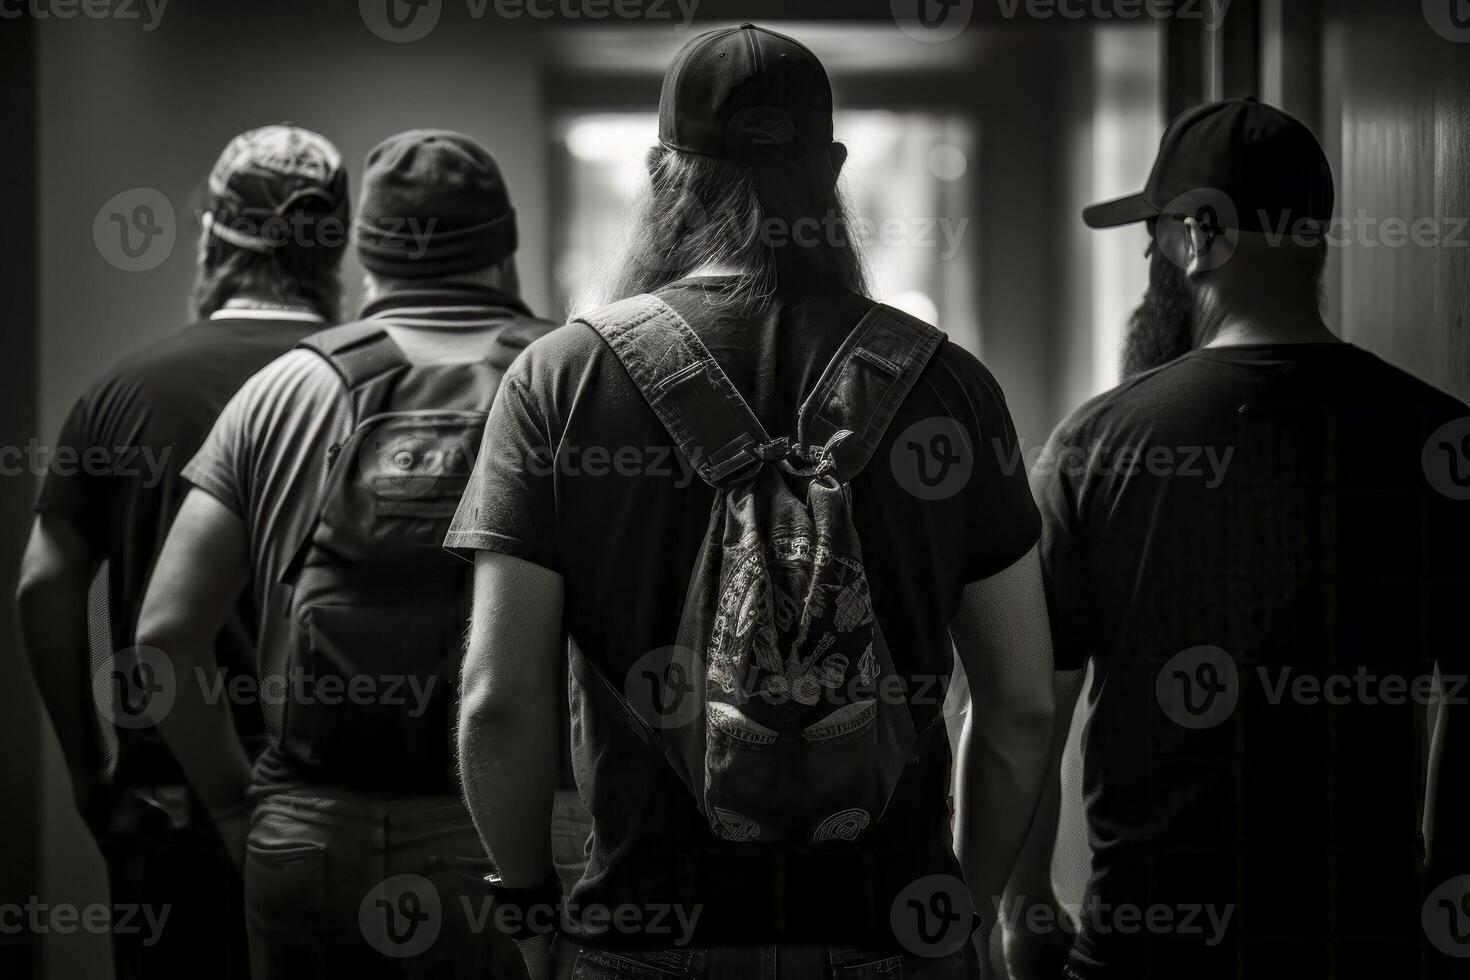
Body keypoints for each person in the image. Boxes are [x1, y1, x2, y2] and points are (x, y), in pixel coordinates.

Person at [449, 24, 1057, 980]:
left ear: (661, 176)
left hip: (647, 940)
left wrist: (527, 905)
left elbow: (498, 701)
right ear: (835, 170)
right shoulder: (950, 387)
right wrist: (962, 913)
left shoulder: (561, 380)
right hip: (889, 939)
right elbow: (1020, 708)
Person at [1008, 98, 1470, 980]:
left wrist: (1023, 913)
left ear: (1199, 235)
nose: (1151, 260)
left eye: (1154, 236)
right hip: (1364, 949)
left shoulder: (1094, 445)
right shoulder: (1439, 441)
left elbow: (1033, 707)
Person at [136, 130, 557, 978]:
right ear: (504, 249)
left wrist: (231, 807)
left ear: (366, 255)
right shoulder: (571, 376)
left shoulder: (284, 388)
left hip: (309, 832)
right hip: (522, 837)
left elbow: (163, 639)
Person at [16, 123, 349, 980]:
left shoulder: (123, 393)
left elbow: (44, 585)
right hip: (339, 816)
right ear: (336, 250)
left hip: (172, 808)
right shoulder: (363, 387)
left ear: (209, 239)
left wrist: (94, 776)